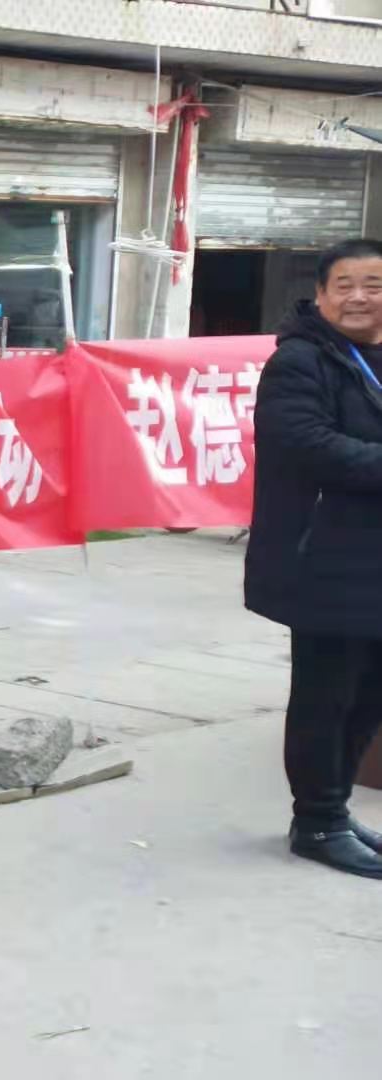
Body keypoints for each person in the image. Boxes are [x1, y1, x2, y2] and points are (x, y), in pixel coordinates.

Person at [245, 237, 382, 880]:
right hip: (323, 556)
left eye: (373, 286)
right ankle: (317, 822)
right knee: (326, 696)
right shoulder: (299, 361)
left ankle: (336, 809)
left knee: (370, 694)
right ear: (322, 295)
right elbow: (306, 444)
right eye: (344, 285)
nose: (358, 297)